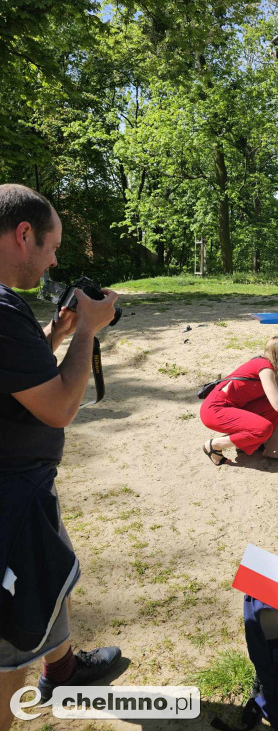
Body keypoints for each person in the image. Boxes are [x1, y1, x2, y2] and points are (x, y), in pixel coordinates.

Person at [0, 184, 121, 731]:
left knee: (54, 573)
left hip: (24, 489)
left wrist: (56, 332)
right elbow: (57, 407)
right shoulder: (2, 311)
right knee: (8, 649)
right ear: (23, 235)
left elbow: (18, 374)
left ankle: (64, 668)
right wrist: (90, 330)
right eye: (51, 246)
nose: (54, 259)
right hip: (9, 501)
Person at [200, 335, 278, 465]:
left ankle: (244, 444)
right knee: (264, 429)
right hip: (215, 410)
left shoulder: (273, 369)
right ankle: (214, 445)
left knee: (271, 403)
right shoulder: (265, 368)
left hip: (232, 407)